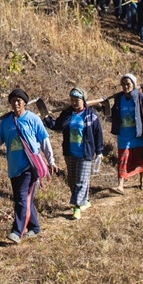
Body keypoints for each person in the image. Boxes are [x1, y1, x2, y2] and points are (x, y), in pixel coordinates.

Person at [0, 89, 57, 244]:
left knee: (22, 199)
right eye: (13, 101)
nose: (16, 103)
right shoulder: (6, 122)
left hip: (30, 166)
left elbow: (44, 141)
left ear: (25, 103)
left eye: (19, 101)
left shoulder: (33, 119)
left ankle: (17, 231)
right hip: (14, 167)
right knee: (24, 199)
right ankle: (34, 227)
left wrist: (51, 161)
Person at [43, 88, 104, 220]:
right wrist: (47, 118)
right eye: (72, 100)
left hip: (85, 154)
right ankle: (84, 201)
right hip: (70, 153)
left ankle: (76, 207)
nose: (74, 103)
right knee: (72, 180)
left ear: (83, 100)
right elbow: (56, 125)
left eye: (77, 100)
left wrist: (99, 151)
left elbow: (98, 134)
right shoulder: (67, 114)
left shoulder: (91, 116)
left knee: (81, 180)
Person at [110, 74, 143, 193]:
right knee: (122, 158)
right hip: (123, 135)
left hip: (137, 134)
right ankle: (120, 185)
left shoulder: (141, 97)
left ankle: (142, 180)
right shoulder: (119, 99)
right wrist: (105, 106)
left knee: (140, 158)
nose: (125, 86)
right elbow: (112, 114)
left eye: (128, 84)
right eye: (123, 84)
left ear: (133, 85)